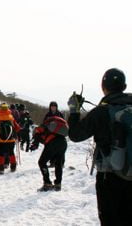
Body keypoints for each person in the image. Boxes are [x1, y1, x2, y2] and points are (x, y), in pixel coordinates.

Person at [68, 68, 132, 225]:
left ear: (103, 87)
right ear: (124, 87)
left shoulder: (101, 112)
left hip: (109, 178)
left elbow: (75, 135)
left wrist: (74, 110)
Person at [30, 116, 68, 192]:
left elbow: (37, 134)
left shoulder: (41, 127)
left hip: (53, 143)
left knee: (42, 162)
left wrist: (34, 144)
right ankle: (58, 184)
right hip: (63, 142)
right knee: (58, 164)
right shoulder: (55, 129)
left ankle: (47, 183)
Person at [0, 103, 21, 174]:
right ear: (8, 109)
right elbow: (17, 128)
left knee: (1, 154)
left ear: (0, 108)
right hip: (11, 139)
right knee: (11, 153)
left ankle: (1, 169)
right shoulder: (11, 117)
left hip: (1, 140)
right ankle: (13, 167)